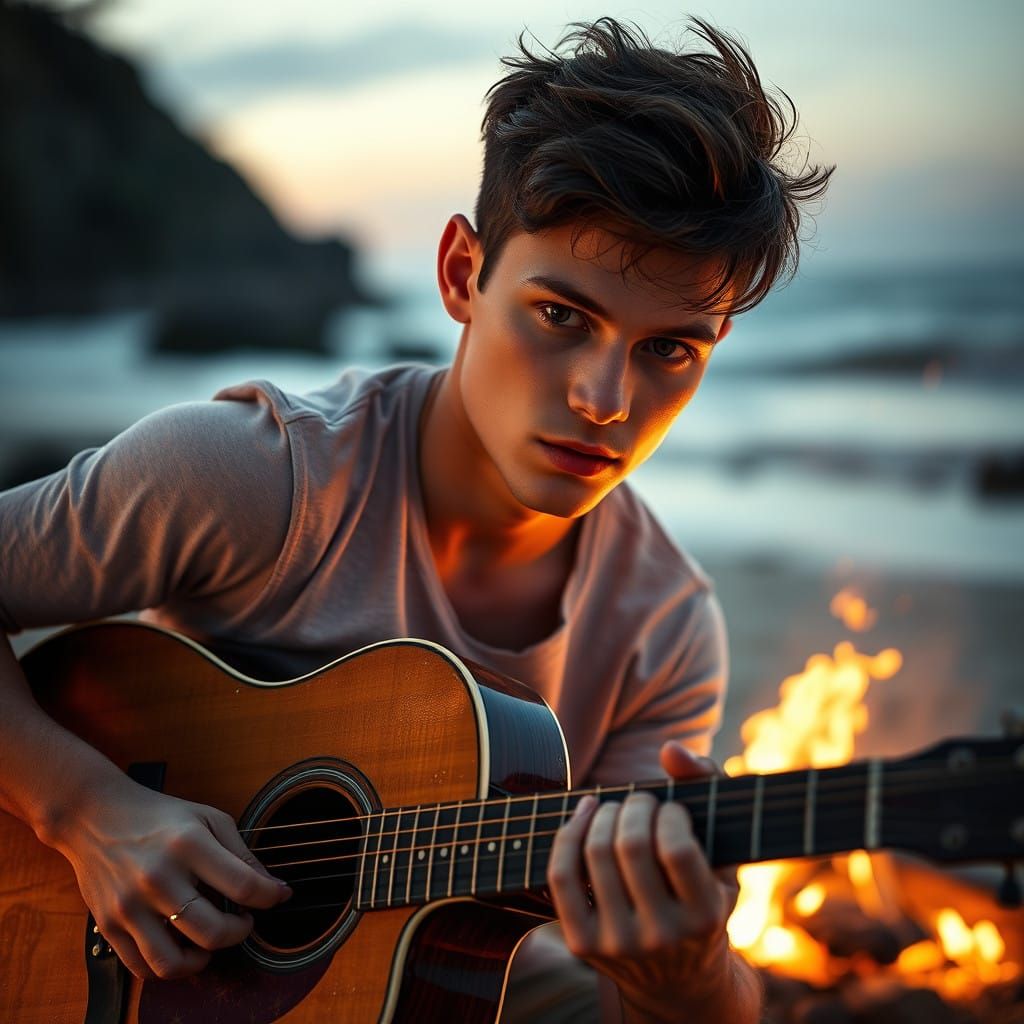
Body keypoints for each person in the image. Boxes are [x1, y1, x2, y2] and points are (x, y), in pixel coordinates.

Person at [0, 15, 832, 1023]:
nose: (606, 399)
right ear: (459, 275)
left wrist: (690, 976)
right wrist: (84, 806)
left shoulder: (661, 629)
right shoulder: (259, 477)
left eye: (670, 351)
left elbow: (637, 988)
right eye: (560, 316)